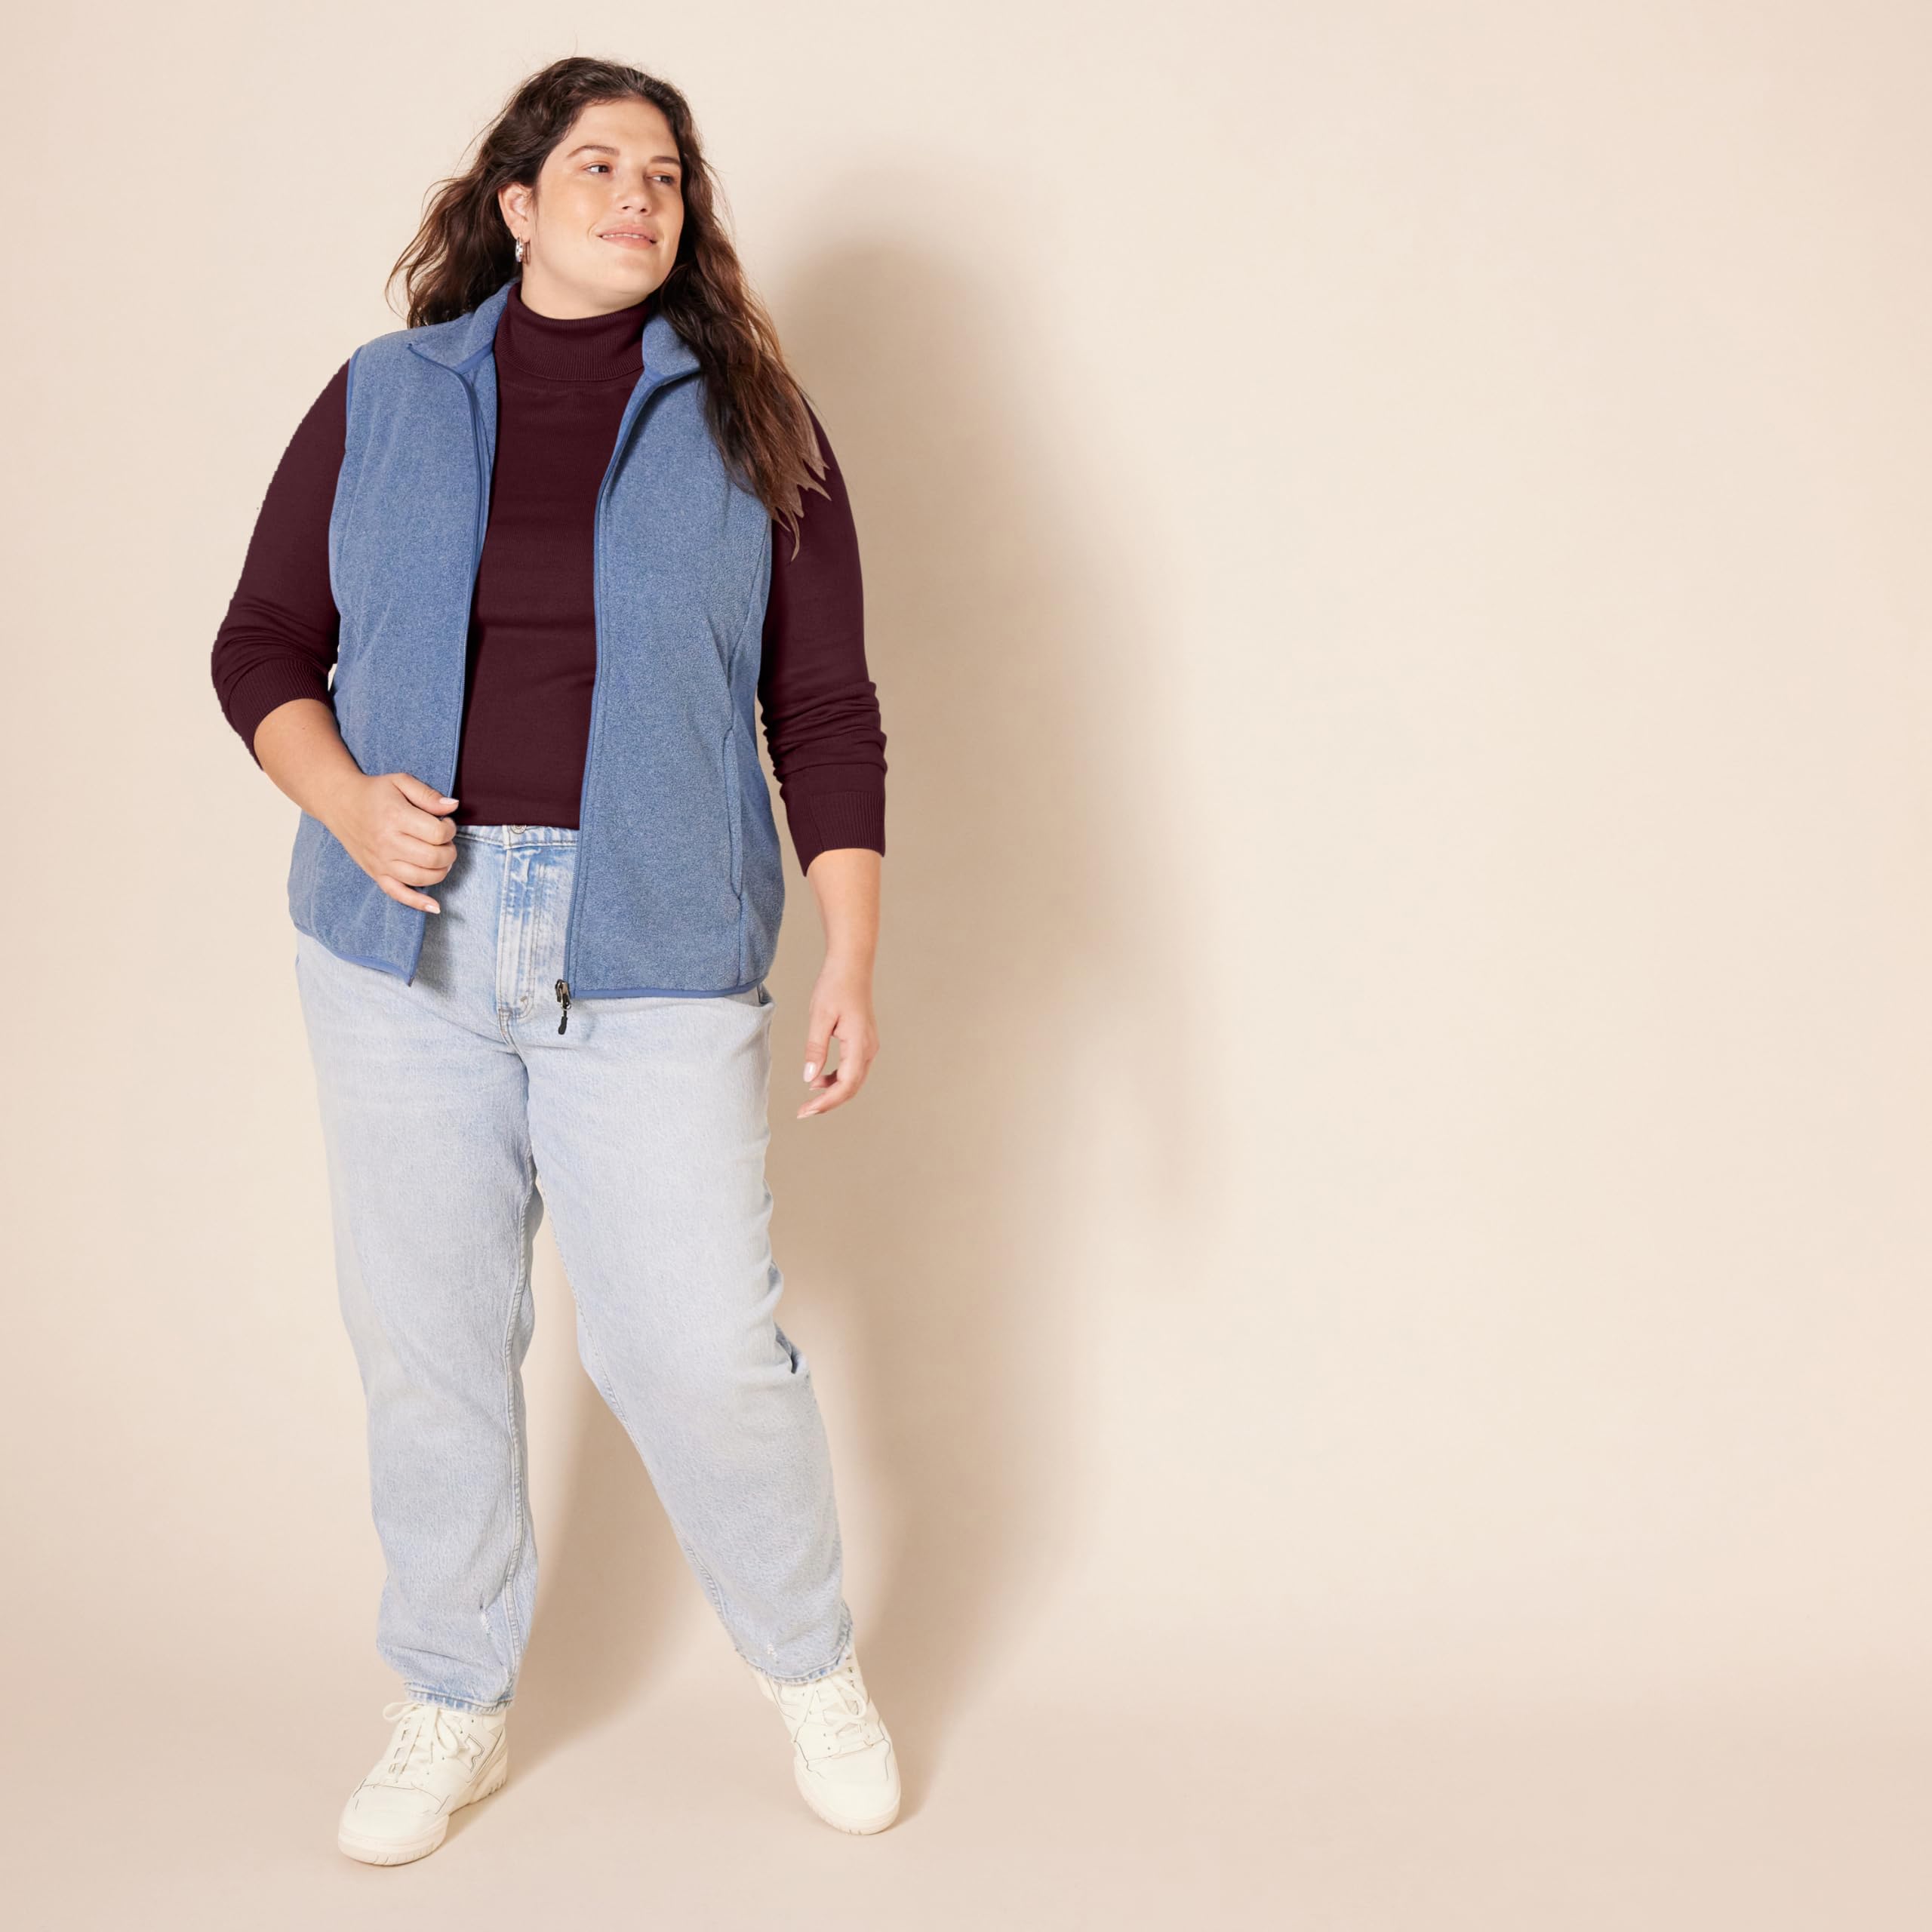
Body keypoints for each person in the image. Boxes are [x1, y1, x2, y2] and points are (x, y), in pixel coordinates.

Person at [210, 56, 900, 1863]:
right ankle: (450, 1694)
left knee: (695, 1346)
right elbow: (261, 640)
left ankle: (810, 1659)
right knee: (429, 1342)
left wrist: (848, 946)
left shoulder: (755, 423)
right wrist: (346, 799)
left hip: (654, 944)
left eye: (663, 174)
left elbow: (822, 705)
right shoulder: (385, 397)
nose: (636, 195)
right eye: (596, 166)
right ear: (516, 206)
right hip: (398, 948)